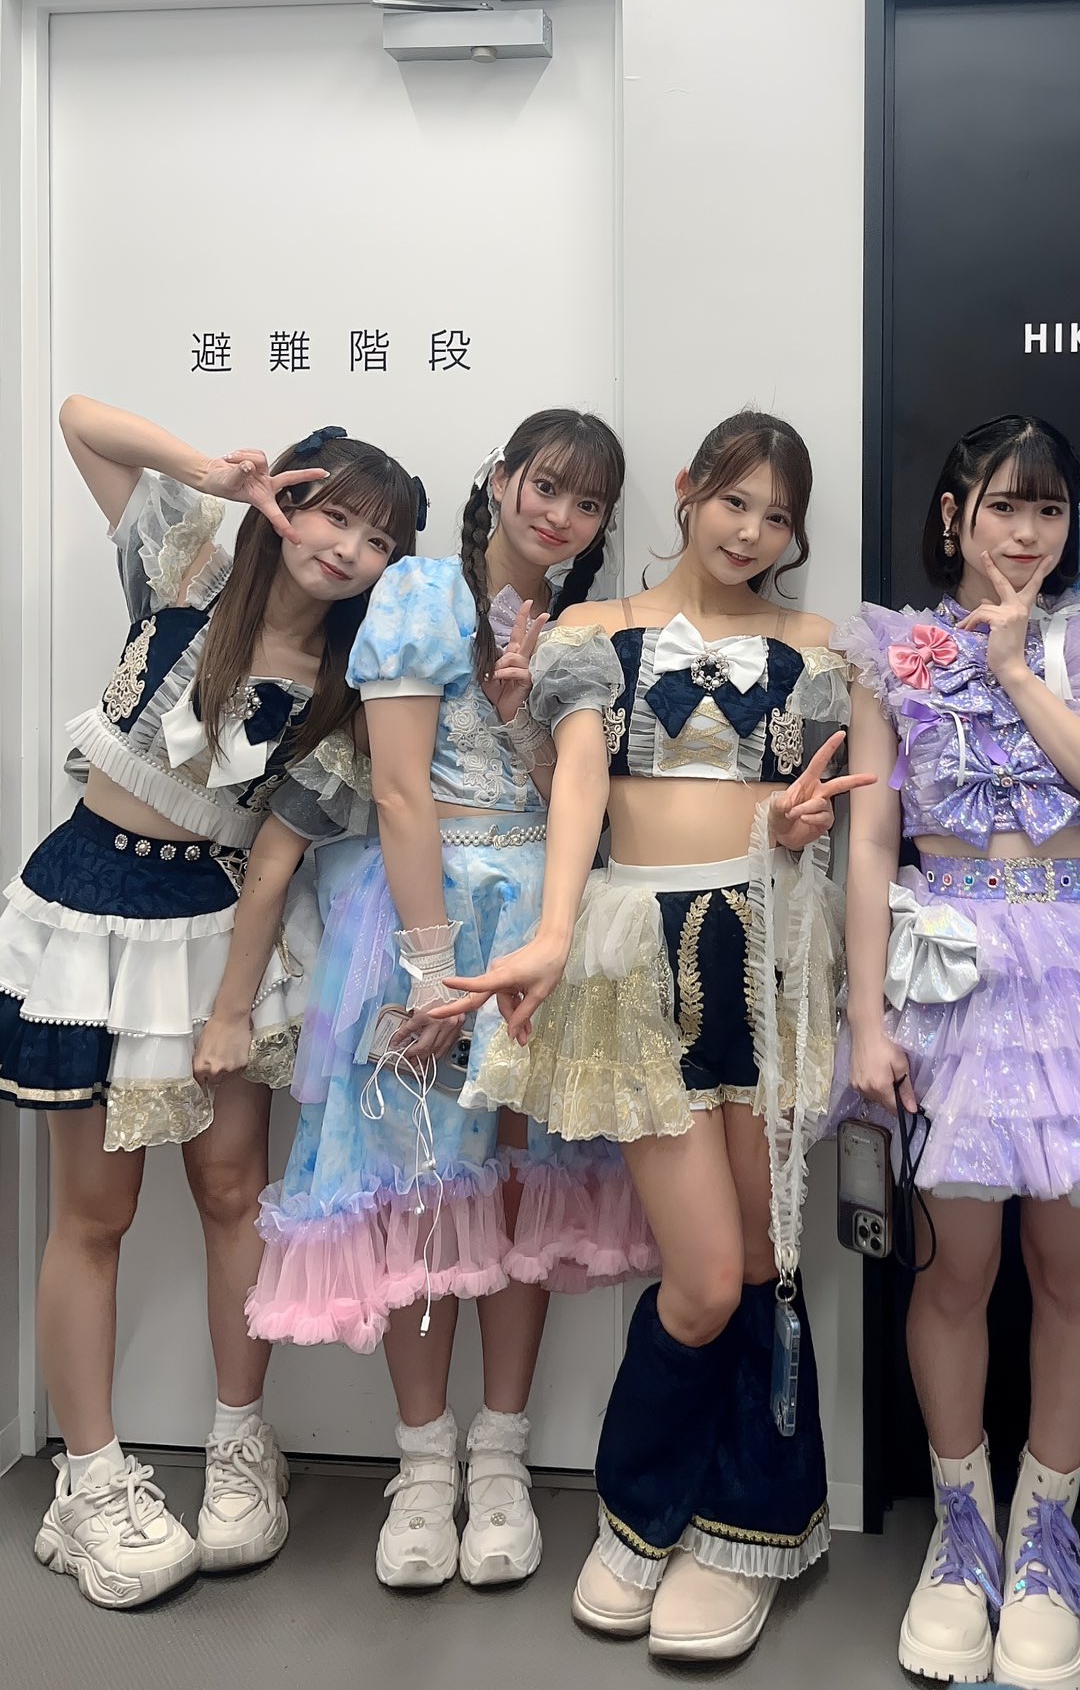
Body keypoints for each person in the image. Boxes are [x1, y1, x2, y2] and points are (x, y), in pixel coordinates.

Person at [444, 409, 865, 1664]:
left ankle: (746, 1529)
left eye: (778, 515)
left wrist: (796, 832)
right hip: (640, 950)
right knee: (704, 1276)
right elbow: (581, 781)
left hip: (772, 946)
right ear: (687, 489)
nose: (753, 530)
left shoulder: (817, 645)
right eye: (735, 500)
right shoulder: (592, 629)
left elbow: (821, 807)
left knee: (768, 1259)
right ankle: (639, 1512)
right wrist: (553, 929)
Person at [829, 413, 1080, 1690]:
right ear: (953, 512)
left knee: (1072, 1270)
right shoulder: (889, 650)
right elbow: (870, 840)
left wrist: (1013, 669)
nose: (1026, 531)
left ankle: (1044, 1532)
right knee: (952, 1272)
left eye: (1048, 508)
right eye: (1003, 504)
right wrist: (865, 1017)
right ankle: (960, 1530)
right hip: (944, 973)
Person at [0, 398, 419, 1607]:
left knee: (234, 1188)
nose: (346, 547)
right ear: (291, 499)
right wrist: (220, 477)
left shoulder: (346, 687)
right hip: (87, 910)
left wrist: (234, 1007)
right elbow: (81, 419)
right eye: (333, 512)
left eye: (377, 539)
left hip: (220, 929)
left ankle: (242, 1443)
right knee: (95, 1209)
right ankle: (88, 1480)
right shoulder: (189, 561)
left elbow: (279, 856)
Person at [245, 411, 653, 1593]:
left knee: (520, 1180)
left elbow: (575, 796)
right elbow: (399, 790)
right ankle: (424, 1466)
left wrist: (526, 706)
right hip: (427, 918)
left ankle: (503, 1455)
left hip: (540, 928)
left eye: (586, 502)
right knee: (424, 1182)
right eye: (546, 485)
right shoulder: (421, 591)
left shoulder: (579, 631)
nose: (560, 515)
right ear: (501, 479)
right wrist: (430, 969)